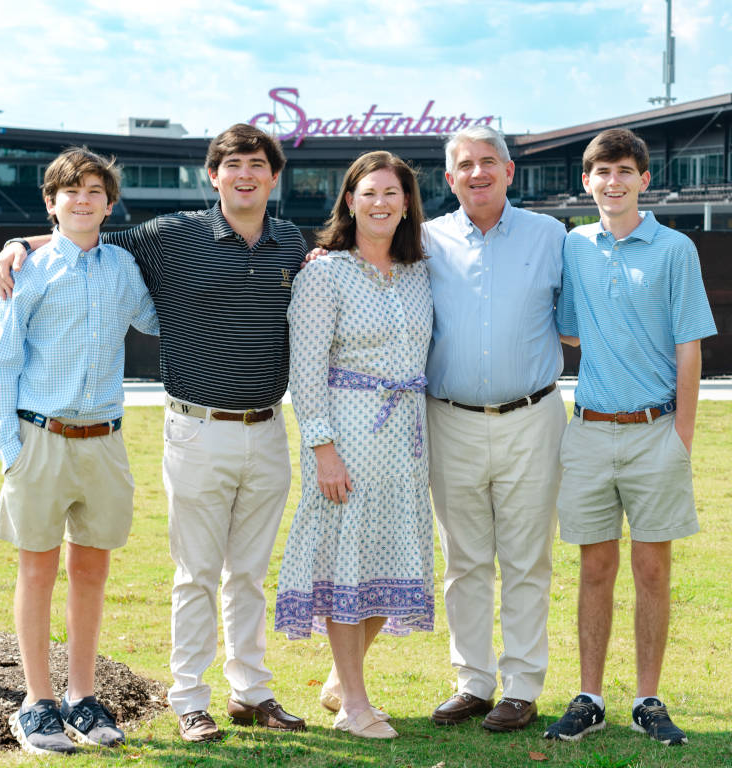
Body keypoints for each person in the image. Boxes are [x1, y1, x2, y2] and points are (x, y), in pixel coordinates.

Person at [0, 124, 307, 742]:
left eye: (256, 164)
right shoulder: (162, 236)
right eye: (232, 164)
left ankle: (230, 692)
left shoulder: (289, 242)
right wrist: (17, 242)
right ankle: (54, 700)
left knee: (227, 572)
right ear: (213, 175)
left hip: (216, 431)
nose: (244, 174)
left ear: (274, 176)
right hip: (114, 433)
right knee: (151, 572)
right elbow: (70, 249)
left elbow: (144, 304)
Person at [0, 146, 159, 755]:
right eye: (71, 192)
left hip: (104, 441)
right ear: (51, 203)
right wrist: (9, 445)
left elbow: (158, 319)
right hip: (39, 438)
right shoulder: (29, 268)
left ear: (109, 205)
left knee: (91, 571)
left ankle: (81, 697)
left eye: (94, 192)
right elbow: (4, 357)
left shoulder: (123, 267)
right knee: (37, 570)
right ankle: (37, 702)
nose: (83, 200)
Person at [545, 128, 717, 746]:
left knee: (651, 569)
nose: (612, 182)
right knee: (594, 568)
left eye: (623, 171)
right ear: (586, 182)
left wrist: (682, 436)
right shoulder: (574, 245)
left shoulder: (675, 249)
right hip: (589, 430)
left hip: (656, 431)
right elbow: (569, 329)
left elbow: (689, 345)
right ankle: (589, 698)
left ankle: (648, 699)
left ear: (644, 180)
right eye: (602, 172)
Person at [274, 151, 434, 739]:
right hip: (348, 439)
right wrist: (323, 449)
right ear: (349, 200)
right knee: (347, 568)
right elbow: (305, 372)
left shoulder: (419, 272)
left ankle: (342, 682)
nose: (381, 203)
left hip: (406, 445)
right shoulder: (324, 274)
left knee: (389, 566)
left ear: (407, 203)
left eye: (392, 193)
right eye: (369, 193)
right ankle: (354, 707)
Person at [425, 126, 569, 731]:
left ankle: (522, 687)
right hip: (449, 419)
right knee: (463, 561)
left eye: (489, 161)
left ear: (510, 171)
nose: (477, 172)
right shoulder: (426, 239)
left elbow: (577, 320)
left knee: (527, 558)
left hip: (532, 418)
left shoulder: (551, 235)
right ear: (450, 177)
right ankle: (473, 683)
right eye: (465, 164)